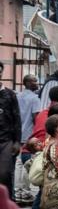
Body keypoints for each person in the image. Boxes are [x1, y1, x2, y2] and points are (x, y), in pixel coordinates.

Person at [15, 75, 41, 201]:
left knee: (18, 163)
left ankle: (17, 191)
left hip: (17, 133)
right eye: (34, 81)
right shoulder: (35, 99)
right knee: (26, 163)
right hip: (29, 133)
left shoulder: (17, 96)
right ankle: (25, 191)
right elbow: (36, 117)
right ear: (27, 83)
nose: (37, 83)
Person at [0, 62, 22, 198]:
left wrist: (17, 142)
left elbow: (17, 119)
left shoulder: (10, 95)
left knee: (5, 174)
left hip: (6, 141)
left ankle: (7, 205)